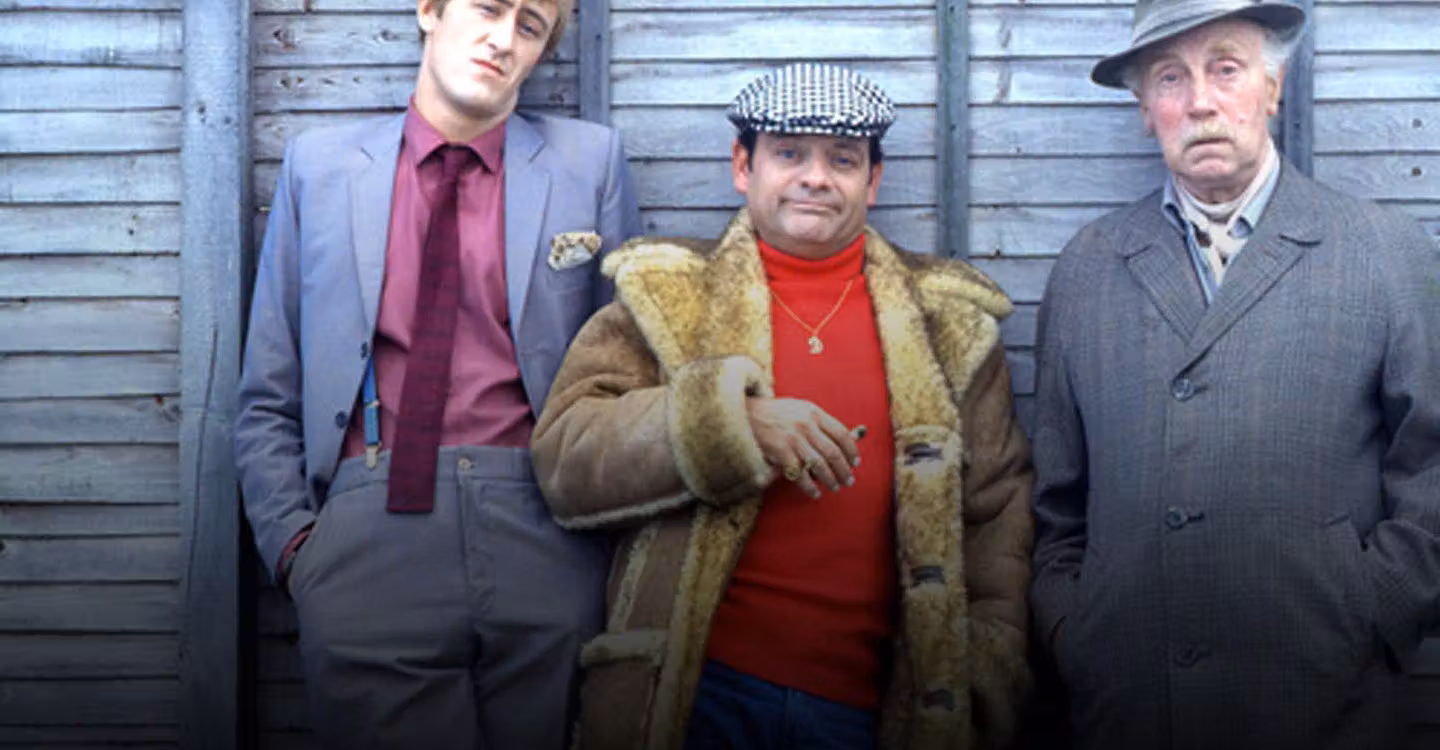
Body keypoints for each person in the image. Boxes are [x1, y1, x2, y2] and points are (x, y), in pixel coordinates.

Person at [529, 62, 1034, 750]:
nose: (815, 177)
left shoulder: (952, 324)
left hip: (873, 709)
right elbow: (564, 458)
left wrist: (985, 667)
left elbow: (997, 510)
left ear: (873, 181)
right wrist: (727, 424)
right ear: (744, 167)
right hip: (694, 693)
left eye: (842, 159)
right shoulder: (664, 296)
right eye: (789, 154)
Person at [1029, 0, 1440, 747]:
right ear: (1144, 109)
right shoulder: (1088, 266)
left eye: (1225, 69)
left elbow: (1432, 466)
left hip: (1327, 705)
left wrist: (1376, 607)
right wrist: (1071, 629)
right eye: (1169, 78)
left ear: (1272, 87)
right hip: (1128, 708)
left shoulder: (1384, 251)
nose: (1200, 102)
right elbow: (1056, 503)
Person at [233, 0, 641, 747]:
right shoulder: (320, 167)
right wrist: (296, 550)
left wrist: (596, 554)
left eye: (530, 25)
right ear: (430, 9)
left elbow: (625, 379)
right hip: (365, 535)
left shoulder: (590, 164)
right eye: (488, 8)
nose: (502, 38)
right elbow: (269, 386)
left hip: (544, 533)